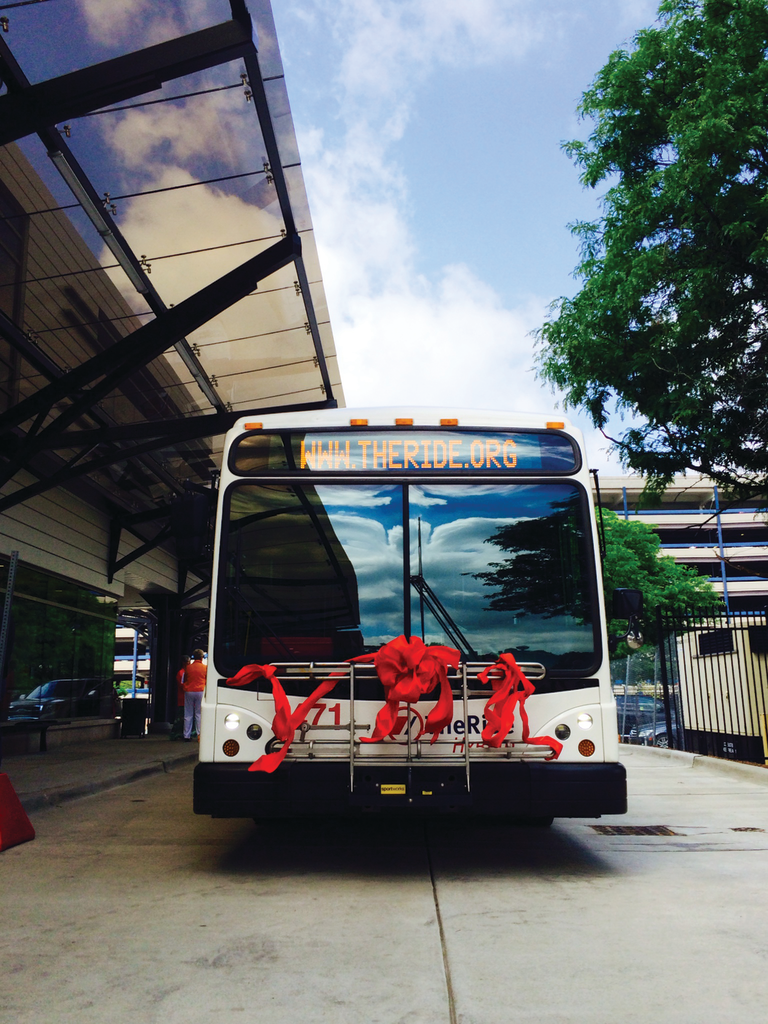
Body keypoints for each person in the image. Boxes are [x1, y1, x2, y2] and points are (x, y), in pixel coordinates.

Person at [183, 649, 206, 741]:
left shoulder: (188, 668)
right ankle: (199, 735)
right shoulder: (205, 667)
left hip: (189, 691)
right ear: (201, 657)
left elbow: (185, 680)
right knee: (199, 714)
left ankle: (186, 736)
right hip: (200, 691)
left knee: (188, 713)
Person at [169, 656, 189, 741]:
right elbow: (182, 685)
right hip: (183, 698)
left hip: (186, 698)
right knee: (180, 718)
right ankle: (176, 734)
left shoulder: (185, 672)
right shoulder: (182, 673)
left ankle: (181, 733)